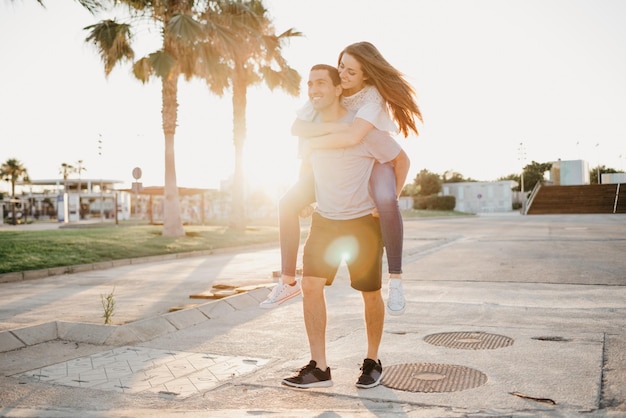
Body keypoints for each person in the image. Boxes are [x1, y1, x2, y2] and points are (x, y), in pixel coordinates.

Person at [260, 42, 421, 316]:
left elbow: (353, 136)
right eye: (341, 67)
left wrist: (317, 141)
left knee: (385, 199)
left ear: (366, 76)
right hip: (334, 165)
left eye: (350, 72)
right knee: (287, 203)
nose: (342, 75)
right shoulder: (327, 91)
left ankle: (396, 280)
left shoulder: (371, 100)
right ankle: (287, 281)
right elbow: (298, 130)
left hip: (375, 160)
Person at [281, 64, 409, 389]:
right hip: (325, 221)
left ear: (339, 88)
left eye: (321, 82)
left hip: (362, 223)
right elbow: (305, 165)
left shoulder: (362, 129)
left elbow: (401, 160)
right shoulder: (310, 129)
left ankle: (372, 360)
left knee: (370, 295)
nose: (313, 89)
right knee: (310, 286)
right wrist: (304, 197)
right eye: (309, 84)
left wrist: (390, 200)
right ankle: (319, 367)